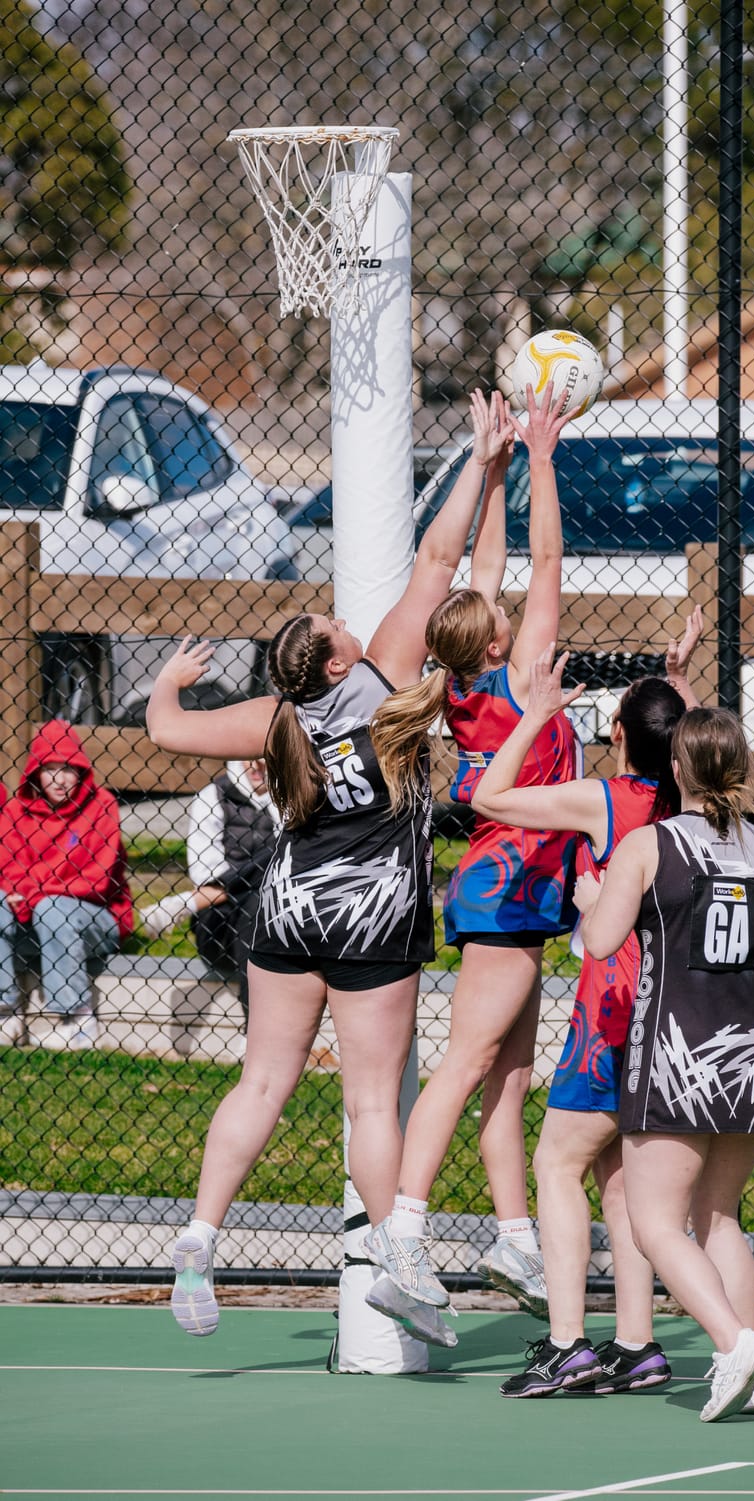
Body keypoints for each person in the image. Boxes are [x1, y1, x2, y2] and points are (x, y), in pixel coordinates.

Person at [144, 387, 516, 1346]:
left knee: (261, 1083)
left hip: (288, 911)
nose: (345, 622)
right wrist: (482, 463)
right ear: (339, 659)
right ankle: (396, 1256)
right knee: (367, 1094)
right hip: (373, 918)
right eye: (334, 626)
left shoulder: (276, 719)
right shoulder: (387, 685)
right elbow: (441, 560)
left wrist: (167, 681)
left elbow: (164, 729)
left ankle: (198, 1234)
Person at [364, 385, 578, 1323]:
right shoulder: (524, 669)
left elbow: (488, 567)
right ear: (496, 635)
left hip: (515, 884)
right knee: (466, 1063)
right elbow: (544, 561)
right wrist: (539, 454)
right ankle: (401, 1234)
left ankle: (516, 1241)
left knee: (511, 1075)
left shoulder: (460, 680)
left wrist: (489, 467)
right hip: (507, 885)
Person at [468, 619, 702, 1398]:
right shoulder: (703, 810)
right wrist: (680, 684)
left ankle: (568, 1343)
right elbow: (698, 748)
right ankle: (637, 1344)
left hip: (615, 1009)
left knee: (555, 1161)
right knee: (620, 1174)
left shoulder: (611, 801)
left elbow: (489, 793)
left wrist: (534, 713)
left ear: (617, 734)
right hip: (680, 1013)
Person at [574, 706, 754, 1422]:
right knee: (720, 1217)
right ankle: (748, 1370)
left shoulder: (650, 844)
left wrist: (595, 898)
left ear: (676, 769)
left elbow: (601, 941)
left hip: (676, 1055)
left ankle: (733, 1341)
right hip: (751, 1056)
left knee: (655, 1222)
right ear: (738, 768)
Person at [0, 720, 133, 1050]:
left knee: (52, 907)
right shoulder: (17, 810)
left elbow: (97, 878)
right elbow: (10, 865)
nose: (59, 780)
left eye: (68, 769)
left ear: (81, 771)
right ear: (35, 772)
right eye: (49, 769)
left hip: (98, 916)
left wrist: (35, 891)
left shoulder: (101, 805)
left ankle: (78, 1018)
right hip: (34, 909)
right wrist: (28, 891)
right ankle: (6, 1010)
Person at [139, 758, 281, 1024]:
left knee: (266, 884)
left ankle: (188, 903)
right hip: (220, 929)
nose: (256, 767)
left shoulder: (289, 796)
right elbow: (205, 874)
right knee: (259, 890)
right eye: (250, 759)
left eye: (266, 760)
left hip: (273, 921)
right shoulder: (212, 795)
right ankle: (255, 1029)